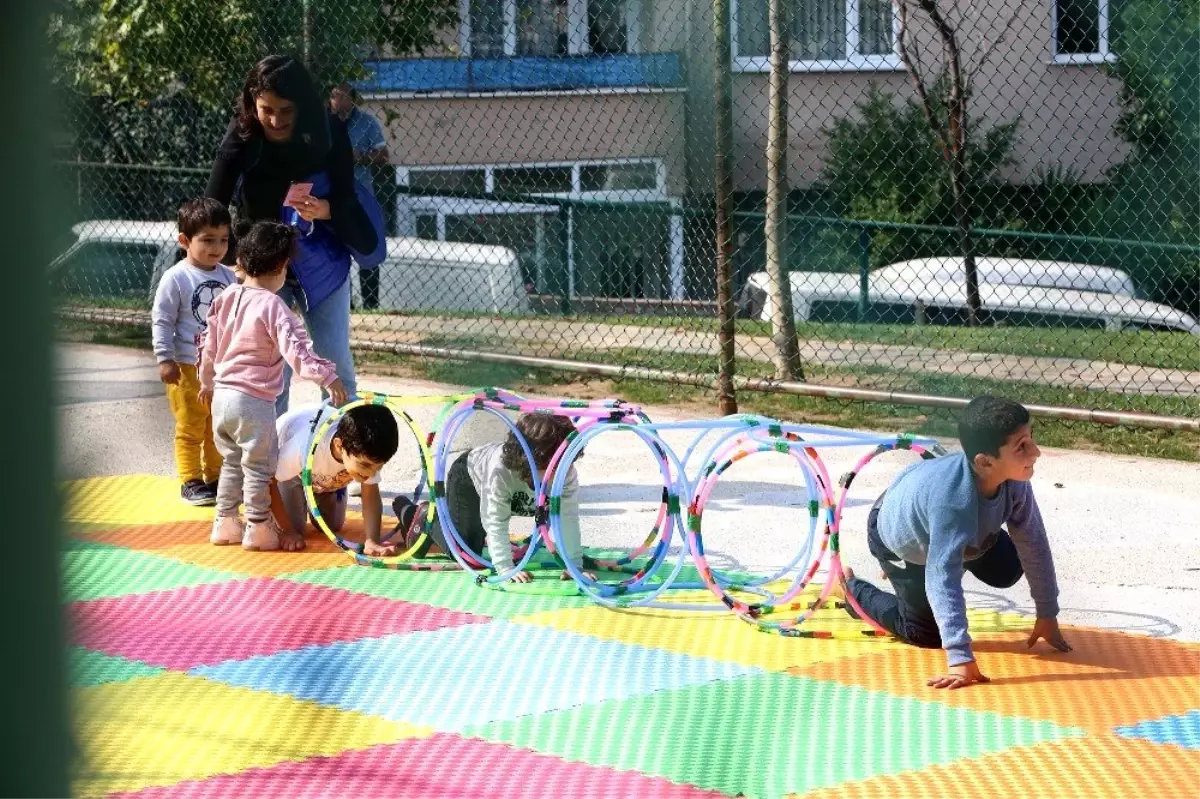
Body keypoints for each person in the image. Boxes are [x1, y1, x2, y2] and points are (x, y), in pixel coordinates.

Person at [842, 395, 1073, 689]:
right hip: (896, 537)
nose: (1036, 452)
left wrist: (1047, 612)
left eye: (1031, 439)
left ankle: (921, 569)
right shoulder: (952, 504)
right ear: (985, 462)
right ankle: (854, 590)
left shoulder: (1015, 481)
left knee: (1008, 567)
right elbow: (942, 579)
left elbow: (1034, 544)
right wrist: (960, 658)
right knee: (925, 634)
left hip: (938, 519)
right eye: (1022, 447)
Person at [205, 55, 379, 416]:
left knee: (335, 365)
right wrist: (236, 261)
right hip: (263, 265)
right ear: (252, 102)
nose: (275, 120)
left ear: (303, 105)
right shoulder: (242, 135)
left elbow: (346, 195)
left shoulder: (328, 130)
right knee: (270, 370)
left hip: (322, 260)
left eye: (286, 110)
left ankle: (337, 456)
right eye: (266, 109)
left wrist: (325, 208)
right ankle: (272, 463)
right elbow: (213, 207)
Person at [200, 221, 348, 551]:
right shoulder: (273, 306)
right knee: (258, 466)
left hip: (222, 396)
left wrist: (206, 382)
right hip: (252, 400)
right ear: (282, 267)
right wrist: (328, 376)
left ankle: (224, 521)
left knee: (231, 461)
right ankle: (258, 525)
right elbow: (297, 352)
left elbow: (208, 344)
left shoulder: (225, 297)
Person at [394, 414, 596, 581]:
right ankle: (424, 516)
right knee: (471, 556)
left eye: (566, 461)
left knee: (480, 543)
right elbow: (495, 520)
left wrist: (574, 565)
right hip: (469, 478)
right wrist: (505, 567)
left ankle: (453, 524)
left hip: (501, 487)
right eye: (554, 465)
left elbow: (567, 518)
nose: (562, 470)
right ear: (532, 461)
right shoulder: (500, 471)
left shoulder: (566, 473)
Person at [151, 198, 238, 506]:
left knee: (217, 426)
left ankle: (216, 478)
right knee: (190, 425)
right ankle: (190, 480)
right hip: (187, 366)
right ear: (184, 241)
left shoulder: (228, 277)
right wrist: (165, 358)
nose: (217, 248)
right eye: (208, 240)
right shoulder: (176, 277)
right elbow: (162, 320)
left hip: (220, 369)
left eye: (224, 240)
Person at [271, 403, 399, 555]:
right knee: (295, 530)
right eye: (365, 465)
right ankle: (301, 491)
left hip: (325, 476)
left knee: (333, 525)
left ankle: (324, 486)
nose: (371, 473)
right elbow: (269, 482)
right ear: (339, 446)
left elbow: (370, 493)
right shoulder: (302, 446)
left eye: (378, 467)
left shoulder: (368, 452)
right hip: (292, 472)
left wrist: (372, 541)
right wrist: (286, 530)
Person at [330, 82, 388, 312]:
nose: (338, 101)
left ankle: (371, 304)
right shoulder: (325, 124)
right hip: (332, 196)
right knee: (337, 249)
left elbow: (383, 155)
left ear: (352, 99)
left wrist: (359, 155)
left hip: (361, 195)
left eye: (343, 96)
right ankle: (346, 304)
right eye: (334, 96)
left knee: (367, 247)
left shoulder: (367, 123)